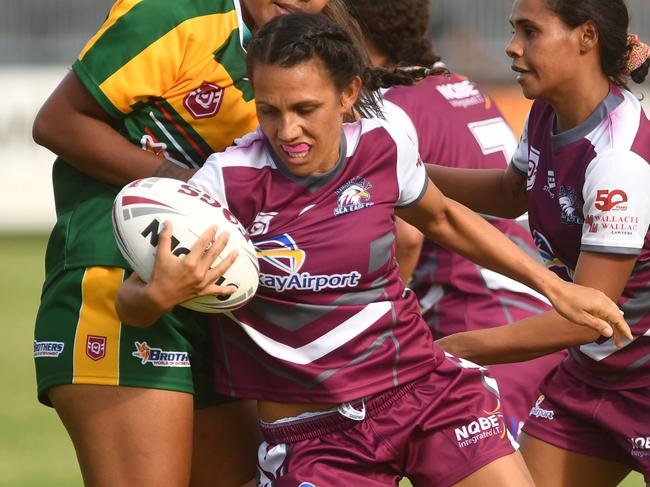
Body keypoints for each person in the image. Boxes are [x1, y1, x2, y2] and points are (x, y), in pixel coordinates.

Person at [115, 13, 631, 486]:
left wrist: (556, 289)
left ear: (348, 94)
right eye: (269, 110)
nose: (287, 130)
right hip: (313, 433)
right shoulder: (224, 183)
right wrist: (159, 295)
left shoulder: (383, 144)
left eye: (305, 109)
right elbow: (129, 303)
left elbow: (445, 218)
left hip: (421, 391)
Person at [30, 1, 340, 485]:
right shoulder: (173, 12)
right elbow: (58, 121)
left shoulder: (316, 43)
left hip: (220, 301)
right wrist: (194, 187)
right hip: (115, 275)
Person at [425, 0, 650, 485]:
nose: (512, 47)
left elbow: (589, 317)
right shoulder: (548, 114)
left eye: (530, 31)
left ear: (586, 37)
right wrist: (406, 178)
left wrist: (454, 348)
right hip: (593, 377)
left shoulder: (619, 161)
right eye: (513, 31)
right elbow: (510, 193)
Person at [349, 0, 566, 438]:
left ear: (350, 25)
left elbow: (406, 240)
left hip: (477, 332)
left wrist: (376, 343)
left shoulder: (383, 110)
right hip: (534, 323)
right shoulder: (454, 82)